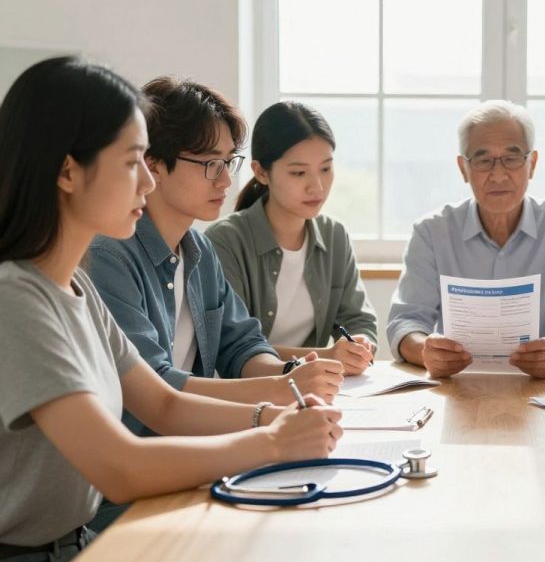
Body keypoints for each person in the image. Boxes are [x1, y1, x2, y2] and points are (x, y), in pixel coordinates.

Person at [0, 57, 340, 561]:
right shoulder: (15, 297)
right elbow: (119, 467)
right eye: (131, 161)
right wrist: (272, 441)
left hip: (77, 544)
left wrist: (274, 417)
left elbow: (162, 403)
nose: (147, 181)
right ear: (68, 171)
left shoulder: (74, 288)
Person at [87, 77, 344, 439]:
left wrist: (287, 374)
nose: (225, 181)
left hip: (192, 448)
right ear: (154, 165)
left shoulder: (198, 248)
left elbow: (241, 343)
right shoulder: (109, 255)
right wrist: (278, 392)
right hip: (141, 463)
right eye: (210, 164)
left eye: (228, 162)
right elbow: (157, 389)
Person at [387, 100, 545, 379]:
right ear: (463, 168)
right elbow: (405, 321)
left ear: (531, 164)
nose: (498, 175)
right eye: (484, 160)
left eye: (511, 159)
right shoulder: (431, 232)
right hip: (457, 385)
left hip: (541, 386)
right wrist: (425, 350)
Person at [207, 101, 377, 374]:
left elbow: (359, 320)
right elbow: (235, 345)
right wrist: (327, 355)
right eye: (299, 172)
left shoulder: (335, 236)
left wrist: (359, 345)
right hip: (251, 395)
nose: (317, 186)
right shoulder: (225, 241)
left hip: (319, 390)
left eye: (325, 168)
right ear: (261, 172)